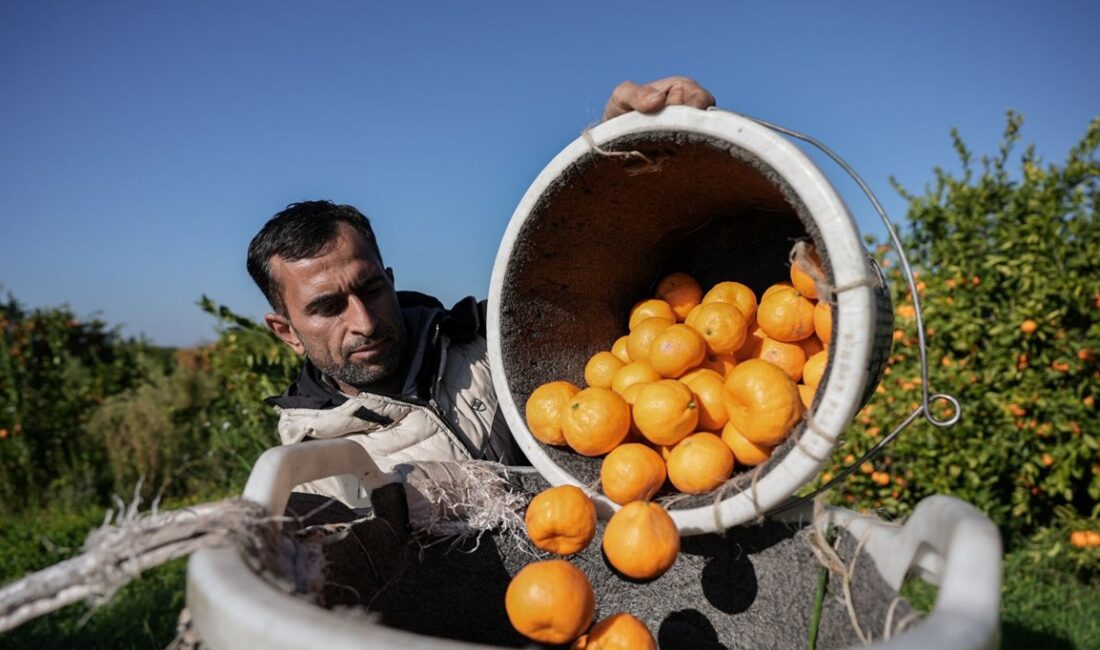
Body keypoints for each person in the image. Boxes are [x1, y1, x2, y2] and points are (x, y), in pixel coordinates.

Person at [246, 77, 716, 507]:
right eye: (328, 308)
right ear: (286, 331)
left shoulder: (491, 344)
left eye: (370, 289)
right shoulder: (312, 476)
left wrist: (619, 159)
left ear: (389, 280)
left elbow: (591, 279)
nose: (364, 322)